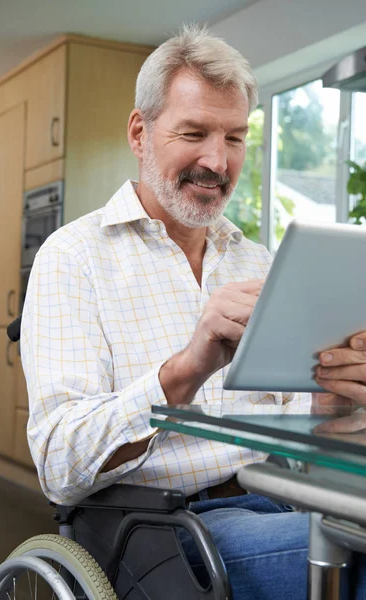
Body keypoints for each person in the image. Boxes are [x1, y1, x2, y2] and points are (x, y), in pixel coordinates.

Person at [21, 25, 366, 600]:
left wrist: (334, 406)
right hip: (165, 530)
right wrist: (184, 370)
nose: (217, 159)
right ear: (140, 132)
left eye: (234, 137)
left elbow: (309, 449)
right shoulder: (74, 257)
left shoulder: (260, 261)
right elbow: (59, 465)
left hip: (280, 500)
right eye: (194, 132)